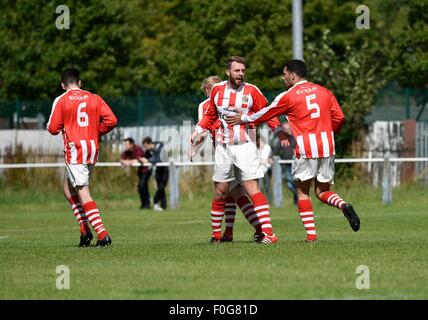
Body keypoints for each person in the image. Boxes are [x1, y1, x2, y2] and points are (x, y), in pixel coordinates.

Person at [225, 59, 360, 242]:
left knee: (302, 192)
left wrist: (244, 118)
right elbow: (340, 117)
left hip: (305, 148)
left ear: (293, 75)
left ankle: (311, 237)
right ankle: (344, 205)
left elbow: (266, 112)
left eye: (284, 74)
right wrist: (329, 131)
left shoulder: (289, 95)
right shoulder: (324, 91)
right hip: (327, 145)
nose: (283, 78)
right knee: (322, 191)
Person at [190, 56, 289, 244]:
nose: (241, 74)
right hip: (222, 147)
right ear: (228, 72)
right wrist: (197, 131)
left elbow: (268, 111)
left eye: (243, 71)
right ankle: (216, 236)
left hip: (246, 146)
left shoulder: (252, 90)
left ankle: (269, 234)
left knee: (252, 188)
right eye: (237, 71)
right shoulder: (217, 90)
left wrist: (278, 131)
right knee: (220, 191)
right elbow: (210, 114)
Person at [47, 67, 117, 247]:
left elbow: (53, 128)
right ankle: (84, 229)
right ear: (80, 83)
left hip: (75, 149)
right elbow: (111, 120)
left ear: (63, 85)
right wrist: (94, 132)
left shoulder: (61, 100)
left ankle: (102, 235)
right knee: (68, 188)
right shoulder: (94, 97)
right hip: (92, 149)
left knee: (82, 190)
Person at [189, 76, 263, 243]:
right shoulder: (237, 96)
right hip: (244, 149)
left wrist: (194, 145)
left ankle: (223, 234)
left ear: (208, 91)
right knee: (235, 193)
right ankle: (239, 232)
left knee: (228, 193)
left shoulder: (205, 105)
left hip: (225, 151)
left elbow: (205, 129)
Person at [120, 137, 152, 209]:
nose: (125, 146)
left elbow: (137, 160)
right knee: (142, 187)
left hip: (146, 170)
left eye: (127, 144)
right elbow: (122, 159)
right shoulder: (127, 151)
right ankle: (145, 204)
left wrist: (128, 162)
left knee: (141, 186)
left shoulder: (138, 149)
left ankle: (146, 204)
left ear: (132, 144)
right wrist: (127, 162)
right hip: (140, 171)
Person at [272, 121, 298, 205]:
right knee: (290, 184)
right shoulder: (283, 139)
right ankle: (298, 195)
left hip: (296, 163)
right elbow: (276, 149)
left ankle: (298, 199)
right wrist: (270, 156)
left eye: (286, 128)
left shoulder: (296, 137)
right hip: (287, 164)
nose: (284, 130)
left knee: (296, 182)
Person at [142, 137, 169, 211]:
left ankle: (155, 200)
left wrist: (148, 160)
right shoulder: (150, 151)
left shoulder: (160, 147)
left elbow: (158, 159)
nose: (146, 148)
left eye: (146, 146)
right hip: (158, 170)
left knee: (161, 186)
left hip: (164, 169)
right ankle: (163, 206)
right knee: (161, 188)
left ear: (150, 143)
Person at [257, 136, 273, 202]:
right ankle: (262, 200)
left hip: (267, 169)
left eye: (261, 141)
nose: (260, 143)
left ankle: (269, 201)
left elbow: (270, 158)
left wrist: (268, 160)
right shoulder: (256, 149)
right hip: (259, 170)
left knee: (268, 186)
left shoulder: (268, 148)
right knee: (260, 186)